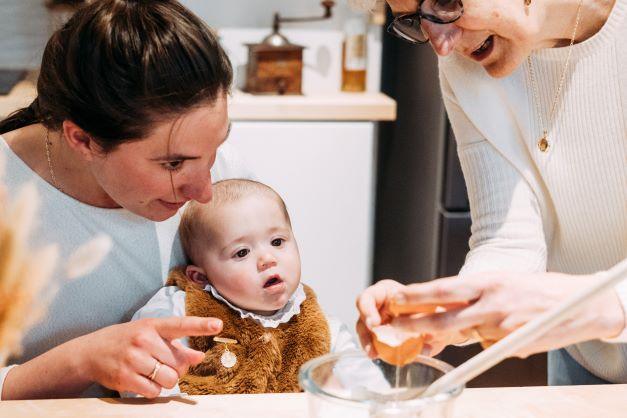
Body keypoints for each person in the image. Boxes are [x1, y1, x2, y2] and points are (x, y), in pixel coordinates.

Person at [354, 0, 627, 385]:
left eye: (445, 2)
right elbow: (510, 239)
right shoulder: (465, 67)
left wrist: (598, 306)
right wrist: (446, 312)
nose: (441, 44)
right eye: (414, 21)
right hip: (590, 357)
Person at [0, 0, 253, 399]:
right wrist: (80, 360)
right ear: (82, 139)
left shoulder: (225, 175)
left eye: (215, 149)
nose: (204, 192)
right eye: (173, 163)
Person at [129, 179, 357, 396]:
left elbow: (361, 380)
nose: (267, 258)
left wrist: (340, 391)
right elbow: (140, 372)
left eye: (277, 242)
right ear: (201, 277)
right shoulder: (180, 311)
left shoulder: (316, 322)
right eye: (242, 252)